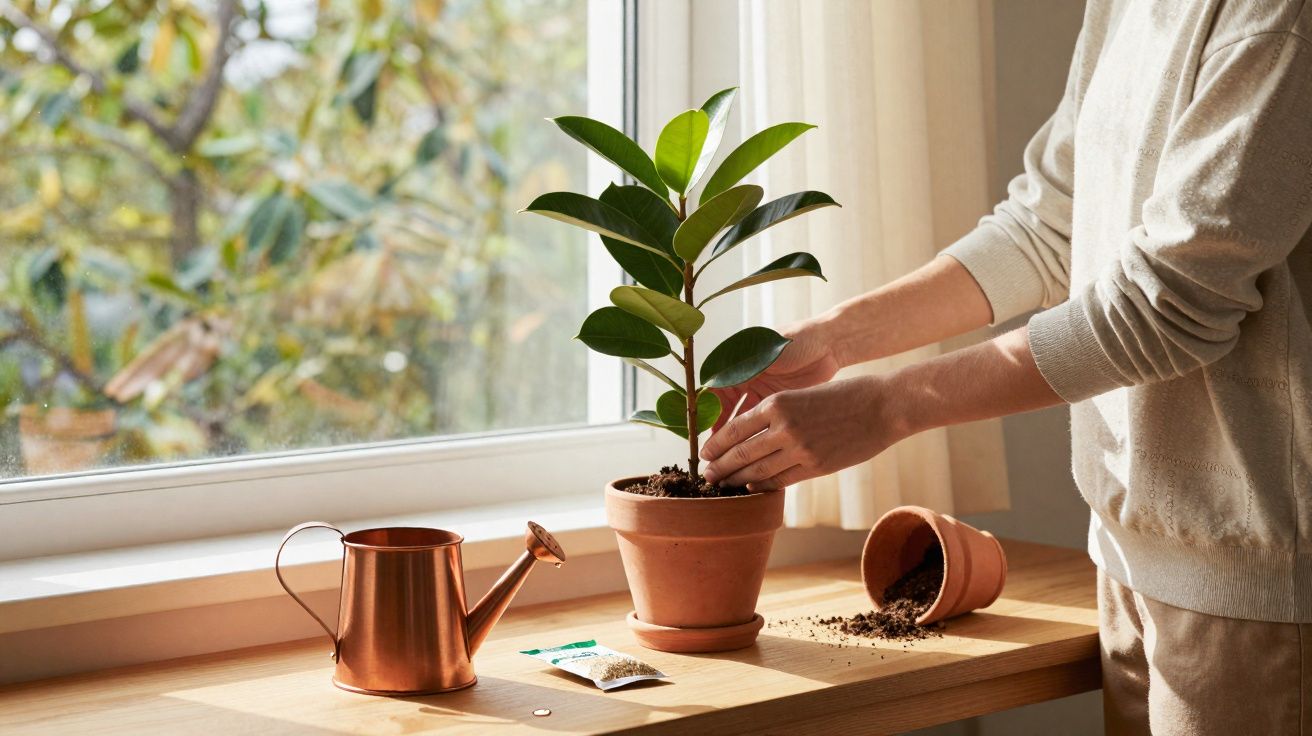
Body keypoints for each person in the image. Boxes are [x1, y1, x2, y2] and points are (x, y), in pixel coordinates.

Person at [699, 1, 1312, 733]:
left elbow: (1170, 303)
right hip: (1129, 557)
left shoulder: (1280, 19)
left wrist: (887, 406)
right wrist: (836, 337)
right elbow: (1051, 226)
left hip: (1260, 581)